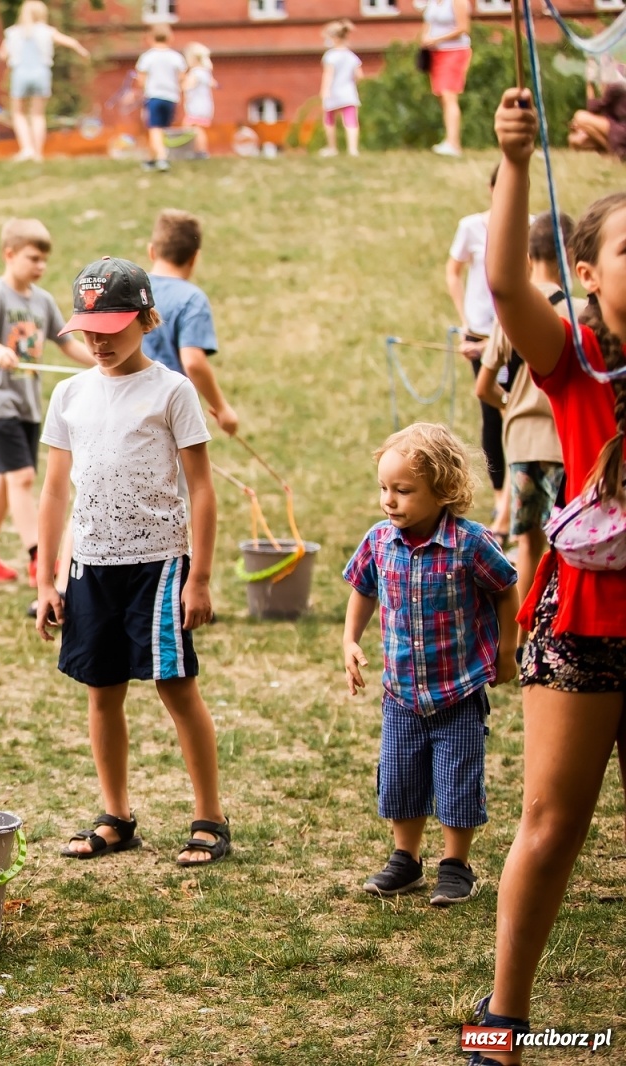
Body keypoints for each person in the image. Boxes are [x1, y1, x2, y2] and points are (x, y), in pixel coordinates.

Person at [469, 88, 626, 1066]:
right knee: (551, 824)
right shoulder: (573, 362)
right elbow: (499, 283)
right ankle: (503, 1016)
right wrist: (515, 162)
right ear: (588, 273)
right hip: (584, 624)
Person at [34, 257, 231, 867]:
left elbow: (201, 487)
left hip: (159, 567)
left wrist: (198, 577)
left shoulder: (172, 391)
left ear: (146, 319)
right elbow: (54, 491)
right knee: (102, 692)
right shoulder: (69, 394)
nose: (98, 340)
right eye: (89, 329)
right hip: (91, 567)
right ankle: (115, 815)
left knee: (176, 687)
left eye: (112, 328)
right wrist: (47, 578)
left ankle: (210, 818)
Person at [341, 423, 519, 906]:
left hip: (458, 691)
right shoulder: (380, 541)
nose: (389, 501)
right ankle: (406, 859)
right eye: (384, 488)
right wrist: (349, 641)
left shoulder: (470, 543)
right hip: (401, 693)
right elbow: (363, 589)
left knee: (458, 780)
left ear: (443, 490)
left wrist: (506, 651)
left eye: (403, 490)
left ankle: (456, 864)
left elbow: (505, 589)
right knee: (400, 778)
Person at [0, 219, 92, 584]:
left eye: (44, 260)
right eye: (33, 258)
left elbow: (66, 344)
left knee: (6, 479)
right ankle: (39, 558)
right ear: (9, 254)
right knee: (22, 477)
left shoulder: (43, 301)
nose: (41, 267)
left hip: (27, 404)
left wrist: (103, 362)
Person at [474, 211, 574, 607]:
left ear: (528, 257)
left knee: (528, 542)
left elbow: (483, 387)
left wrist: (509, 406)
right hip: (563, 444)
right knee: (565, 539)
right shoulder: (579, 312)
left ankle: (521, 632)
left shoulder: (509, 318)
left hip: (519, 443)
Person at [449, 171, 512, 539]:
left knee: (514, 410)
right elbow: (452, 272)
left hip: (514, 333)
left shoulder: (531, 228)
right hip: (481, 333)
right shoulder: (471, 227)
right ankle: (503, 499)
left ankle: (510, 509)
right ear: (490, 189)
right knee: (492, 413)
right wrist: (465, 321)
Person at [142, 209, 239, 437]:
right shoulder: (191, 299)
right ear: (195, 257)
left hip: (127, 402)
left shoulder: (136, 289)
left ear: (151, 251)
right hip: (172, 411)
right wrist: (222, 409)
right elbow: (193, 362)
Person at [0, 0, 88, 163]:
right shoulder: (47, 31)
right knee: (38, 115)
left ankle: (26, 149)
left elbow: (2, 55)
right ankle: (38, 153)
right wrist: (81, 51)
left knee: (18, 113)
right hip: (41, 73)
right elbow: (71, 42)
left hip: (20, 73)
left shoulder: (13, 32)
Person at [417, 0, 471, 157]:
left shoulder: (457, 2)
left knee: (449, 94)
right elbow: (428, 23)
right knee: (441, 95)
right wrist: (425, 39)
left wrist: (436, 39)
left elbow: (463, 28)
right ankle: (449, 139)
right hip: (435, 54)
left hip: (454, 51)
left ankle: (454, 144)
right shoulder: (433, 2)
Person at [135, 24, 189, 173]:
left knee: (154, 128)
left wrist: (143, 91)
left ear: (150, 38)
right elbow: (182, 77)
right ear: (170, 38)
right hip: (171, 97)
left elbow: (141, 79)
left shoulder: (147, 57)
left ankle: (161, 159)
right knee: (162, 129)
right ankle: (151, 160)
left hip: (154, 96)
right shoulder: (176, 57)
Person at [319, 20, 363, 158]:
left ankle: (332, 148)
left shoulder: (330, 56)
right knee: (351, 121)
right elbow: (359, 75)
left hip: (333, 92)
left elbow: (328, 75)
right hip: (349, 92)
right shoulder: (351, 56)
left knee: (329, 120)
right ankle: (353, 149)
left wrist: (324, 91)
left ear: (335, 38)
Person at [180, 43, 216, 159]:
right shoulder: (206, 72)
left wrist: (181, 82)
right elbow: (214, 84)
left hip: (196, 105)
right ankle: (197, 150)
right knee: (193, 127)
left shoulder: (195, 73)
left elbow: (187, 86)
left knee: (194, 128)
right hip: (205, 104)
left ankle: (200, 151)